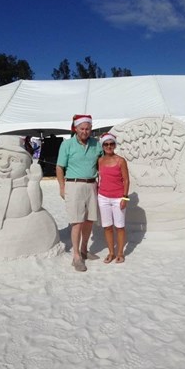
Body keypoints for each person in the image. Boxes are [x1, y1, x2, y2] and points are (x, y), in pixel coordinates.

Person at [56, 114, 103, 272]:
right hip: (74, 185)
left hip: (91, 185)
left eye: (87, 128)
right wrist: (62, 187)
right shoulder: (67, 145)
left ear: (91, 129)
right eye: (82, 128)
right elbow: (59, 167)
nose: (85, 131)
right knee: (77, 222)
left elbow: (102, 163)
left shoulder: (97, 145)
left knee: (89, 220)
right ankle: (76, 256)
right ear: (75, 128)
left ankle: (84, 249)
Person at [98, 132, 130, 264]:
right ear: (103, 146)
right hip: (103, 197)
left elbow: (127, 181)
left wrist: (125, 198)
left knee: (120, 227)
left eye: (111, 144)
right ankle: (111, 252)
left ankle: (120, 253)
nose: (109, 146)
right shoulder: (99, 160)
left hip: (118, 198)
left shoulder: (121, 161)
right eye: (106, 144)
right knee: (107, 226)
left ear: (115, 145)